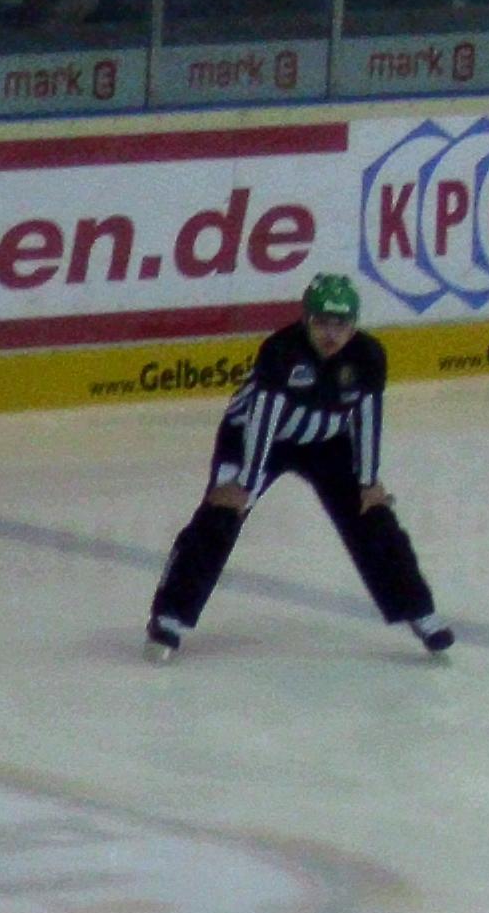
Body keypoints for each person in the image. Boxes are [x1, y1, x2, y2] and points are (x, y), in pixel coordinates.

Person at [146, 273, 457, 660]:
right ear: (305, 320)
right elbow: (263, 418)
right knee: (220, 515)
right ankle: (170, 617)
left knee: (374, 518)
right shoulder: (281, 350)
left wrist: (368, 481)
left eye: (341, 324)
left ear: (354, 325)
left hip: (327, 444)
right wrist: (245, 482)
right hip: (257, 441)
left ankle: (419, 611)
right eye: (322, 322)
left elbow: (368, 416)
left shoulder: (368, 355)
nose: (331, 334)